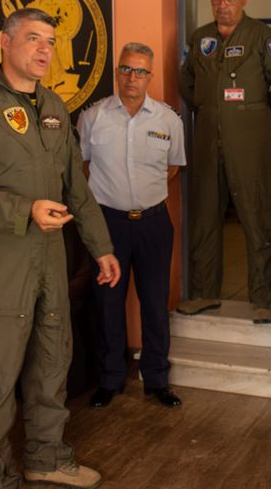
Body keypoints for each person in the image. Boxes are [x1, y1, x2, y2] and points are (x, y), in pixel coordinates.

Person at [0, 7, 121, 489]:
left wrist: (101, 247)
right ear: (4, 43)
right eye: (34, 39)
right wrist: (25, 210)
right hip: (4, 261)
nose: (45, 50)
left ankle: (46, 457)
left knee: (51, 360)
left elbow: (77, 189)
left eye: (51, 41)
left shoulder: (54, 107)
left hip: (51, 256)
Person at [177, 0, 271, 323]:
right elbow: (187, 83)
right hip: (207, 140)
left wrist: (254, 115)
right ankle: (204, 293)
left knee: (257, 215)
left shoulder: (263, 37)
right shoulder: (200, 38)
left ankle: (261, 298)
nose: (222, 4)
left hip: (249, 142)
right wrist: (211, 108)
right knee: (204, 216)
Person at [77, 42, 186, 409]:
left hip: (153, 223)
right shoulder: (93, 117)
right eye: (126, 69)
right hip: (107, 224)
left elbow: (172, 168)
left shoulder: (168, 120)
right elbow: (83, 166)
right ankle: (110, 379)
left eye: (140, 71)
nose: (132, 77)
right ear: (117, 72)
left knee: (155, 302)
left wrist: (141, 194)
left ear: (150, 76)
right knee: (108, 303)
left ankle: (157, 379)